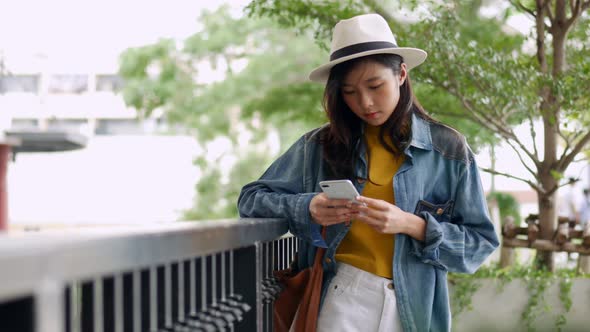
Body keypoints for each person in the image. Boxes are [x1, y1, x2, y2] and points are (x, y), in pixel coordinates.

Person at [238, 13, 498, 332]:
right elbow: (250, 200)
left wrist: (412, 224)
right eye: (349, 92)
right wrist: (307, 207)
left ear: (401, 74)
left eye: (375, 85)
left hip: (414, 307)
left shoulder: (448, 150)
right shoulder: (319, 146)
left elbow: (479, 244)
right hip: (342, 295)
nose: (365, 102)